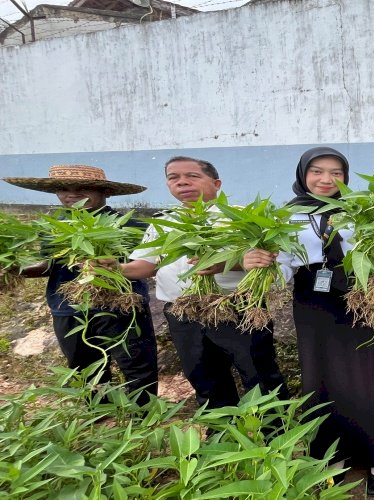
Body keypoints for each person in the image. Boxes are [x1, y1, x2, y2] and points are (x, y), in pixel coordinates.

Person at [243, 147, 374, 496]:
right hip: (313, 300)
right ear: (303, 174)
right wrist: (260, 266)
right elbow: (282, 267)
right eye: (317, 171)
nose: (327, 179)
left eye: (336, 172)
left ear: (346, 177)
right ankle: (332, 455)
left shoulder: (365, 211)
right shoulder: (286, 216)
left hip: (364, 295)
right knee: (322, 377)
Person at [117, 156, 288, 409]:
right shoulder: (165, 221)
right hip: (182, 311)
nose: (182, 182)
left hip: (235, 306)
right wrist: (115, 269)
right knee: (203, 374)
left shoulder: (243, 217)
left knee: (258, 372)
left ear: (216, 183)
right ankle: (219, 432)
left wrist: (225, 263)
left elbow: (270, 261)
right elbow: (145, 265)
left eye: (192, 176)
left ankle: (275, 432)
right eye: (173, 178)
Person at [2, 165, 158, 404]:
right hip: (67, 306)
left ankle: (144, 417)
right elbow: (48, 264)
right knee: (85, 366)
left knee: (136, 363)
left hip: (120, 306)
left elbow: (146, 265)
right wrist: (13, 269)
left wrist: (112, 265)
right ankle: (100, 412)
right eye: (63, 188)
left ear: (105, 191)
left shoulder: (132, 226)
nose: (71, 194)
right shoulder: (53, 227)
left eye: (82, 188)